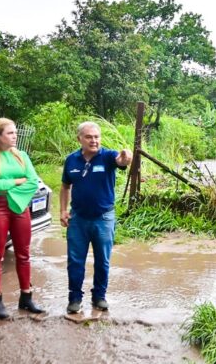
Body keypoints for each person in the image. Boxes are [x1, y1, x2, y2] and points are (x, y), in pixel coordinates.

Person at [60, 121, 132, 314]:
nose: (94, 140)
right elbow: (65, 186)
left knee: (103, 260)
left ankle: (99, 296)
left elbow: (121, 161)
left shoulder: (107, 156)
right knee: (75, 260)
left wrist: (125, 158)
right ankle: (74, 298)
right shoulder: (71, 160)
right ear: (79, 139)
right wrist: (62, 210)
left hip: (103, 218)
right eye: (89, 137)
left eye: (96, 137)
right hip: (78, 219)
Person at [0, 118, 44, 319]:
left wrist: (11, 191)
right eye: (10, 133)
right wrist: (16, 181)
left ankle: (26, 297)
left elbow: (33, 181)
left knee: (24, 253)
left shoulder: (21, 155)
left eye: (15, 132)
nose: (15, 136)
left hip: (20, 206)